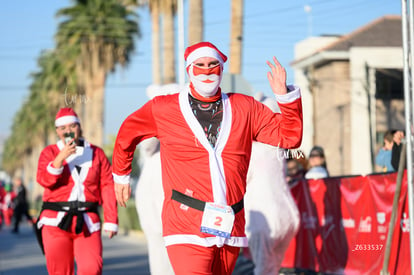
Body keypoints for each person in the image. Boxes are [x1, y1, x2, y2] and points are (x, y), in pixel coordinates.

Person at [112, 41, 303, 274]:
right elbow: (128, 132)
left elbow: (289, 137)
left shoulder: (245, 107)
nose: (207, 70)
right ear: (189, 69)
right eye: (200, 65)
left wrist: (285, 98)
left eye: (213, 64)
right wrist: (121, 174)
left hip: (230, 225)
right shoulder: (165, 108)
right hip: (185, 221)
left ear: (222, 69)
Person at [36, 107, 118, 275]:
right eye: (63, 128)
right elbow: (44, 180)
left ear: (80, 127)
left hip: (87, 221)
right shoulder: (49, 152)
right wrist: (60, 158)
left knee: (92, 269)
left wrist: (111, 219)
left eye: (72, 126)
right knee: (59, 271)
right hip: (55, 222)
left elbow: (107, 185)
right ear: (57, 131)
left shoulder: (96, 153)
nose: (68, 131)